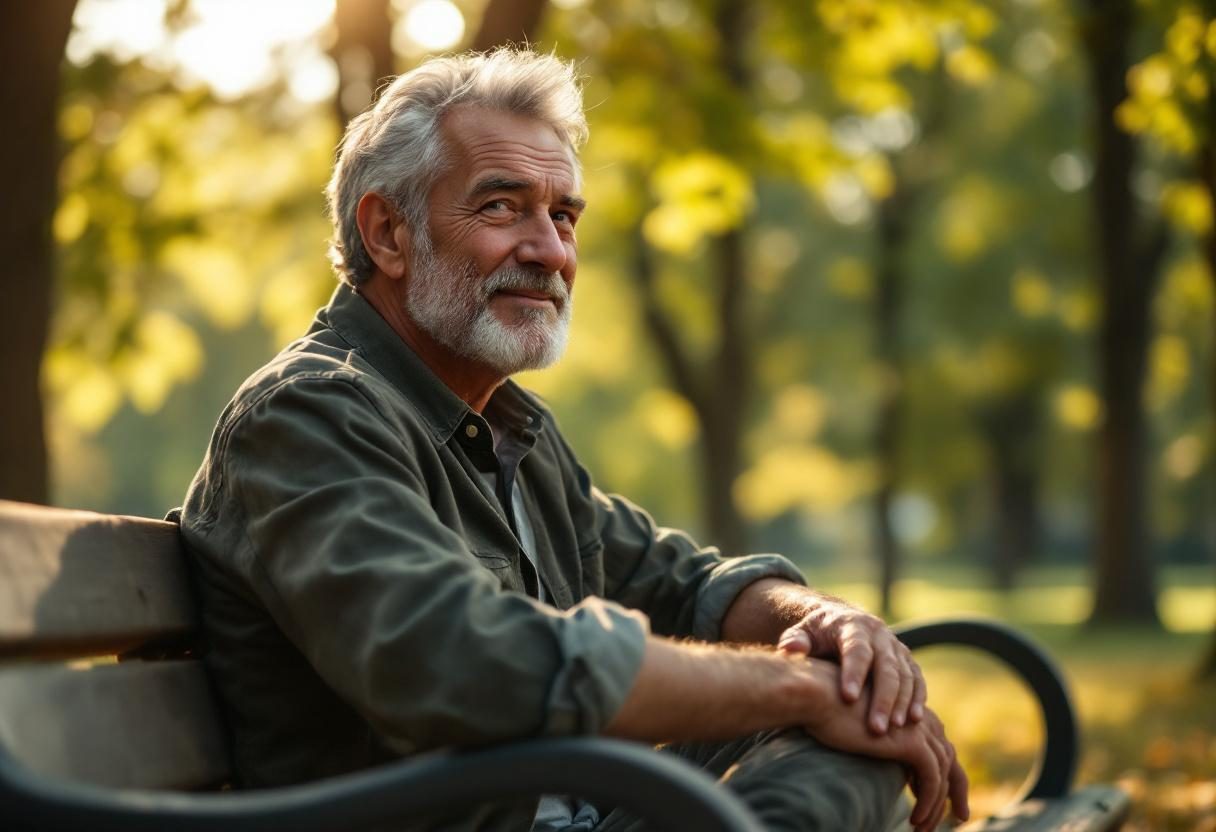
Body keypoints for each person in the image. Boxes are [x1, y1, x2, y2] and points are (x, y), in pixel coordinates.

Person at [179, 48, 968, 832]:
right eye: (500, 207)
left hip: (587, 807)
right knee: (837, 745)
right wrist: (804, 689)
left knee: (863, 738)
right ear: (388, 232)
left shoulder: (511, 430)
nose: (552, 253)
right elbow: (465, 662)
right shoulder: (308, 417)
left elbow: (684, 585)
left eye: (563, 216)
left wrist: (830, 629)